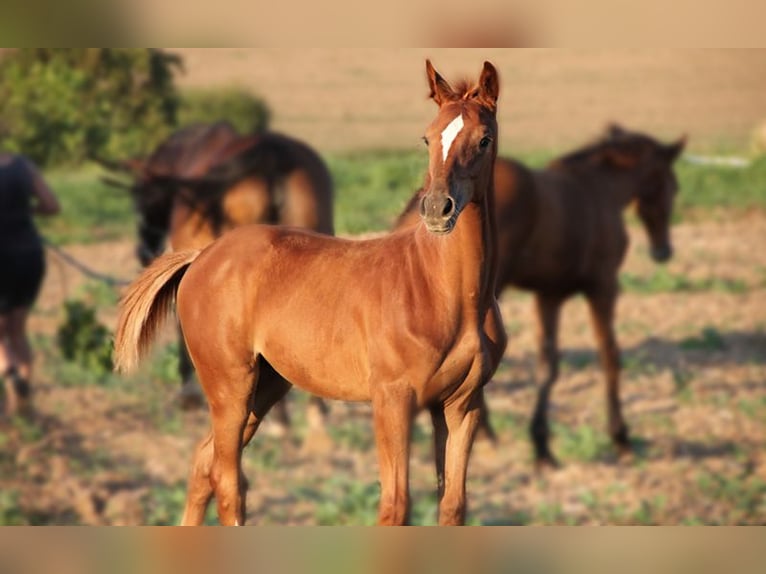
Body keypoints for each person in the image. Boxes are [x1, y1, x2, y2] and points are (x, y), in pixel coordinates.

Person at [0, 152, 60, 417]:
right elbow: (51, 205)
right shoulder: (24, 165)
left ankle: (9, 371)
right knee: (18, 331)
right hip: (29, 255)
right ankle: (19, 407)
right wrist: (25, 211)